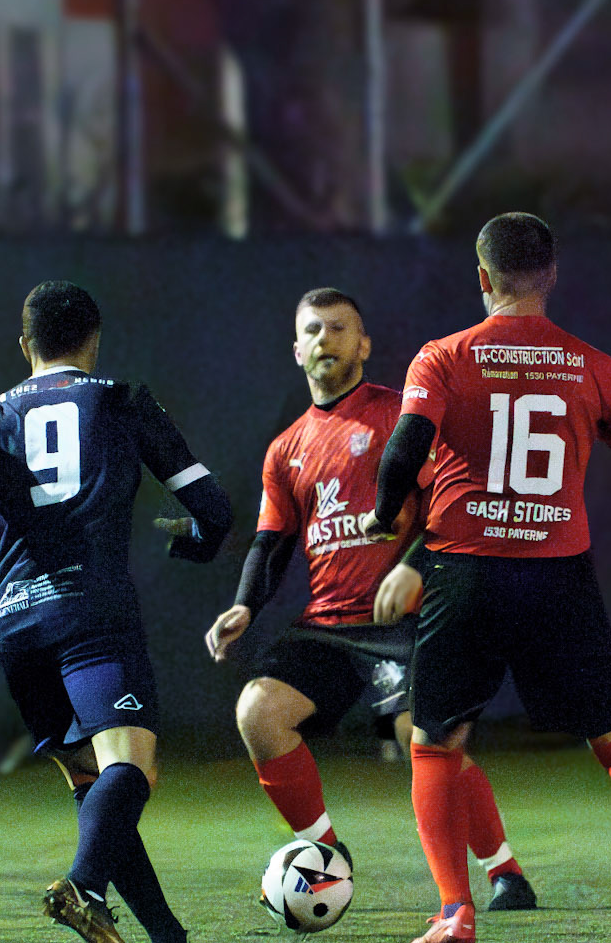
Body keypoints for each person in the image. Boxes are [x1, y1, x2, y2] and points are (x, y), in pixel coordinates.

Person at [361, 212, 611, 943]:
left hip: (463, 573)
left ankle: (454, 911)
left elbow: (404, 448)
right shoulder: (591, 364)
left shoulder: (440, 358)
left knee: (436, 743)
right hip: (557, 577)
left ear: (481, 277)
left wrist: (380, 515)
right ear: (551, 275)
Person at [0, 280, 232, 943]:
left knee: (92, 779)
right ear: (93, 340)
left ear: (25, 347)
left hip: (14, 625)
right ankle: (82, 887)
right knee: (132, 768)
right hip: (92, 615)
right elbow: (213, 508)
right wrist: (193, 541)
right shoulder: (120, 399)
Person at [205, 287, 537, 911]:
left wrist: (411, 565)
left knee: (424, 735)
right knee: (259, 713)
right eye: (313, 330)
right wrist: (246, 605)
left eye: (338, 329)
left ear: (363, 345)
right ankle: (325, 853)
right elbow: (271, 544)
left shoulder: (397, 418)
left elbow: (453, 503)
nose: (325, 339)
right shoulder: (286, 449)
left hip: (405, 622)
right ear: (296, 349)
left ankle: (505, 871)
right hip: (329, 627)